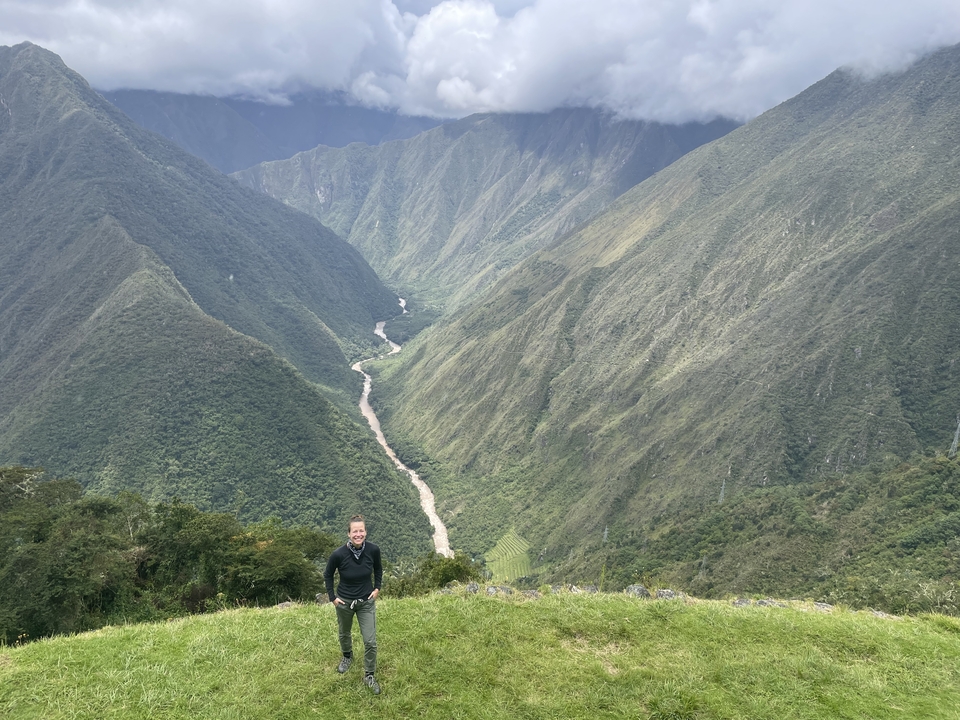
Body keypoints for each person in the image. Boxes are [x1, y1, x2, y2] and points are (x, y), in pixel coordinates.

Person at [323, 514, 383, 695]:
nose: (358, 534)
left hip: (366, 602)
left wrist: (377, 588)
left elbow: (378, 568)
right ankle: (347, 656)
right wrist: (332, 597)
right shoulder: (338, 554)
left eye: (361, 530)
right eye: (355, 531)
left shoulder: (373, 550)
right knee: (344, 633)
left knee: (370, 641)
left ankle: (369, 674)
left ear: (366, 532)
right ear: (349, 534)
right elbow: (327, 574)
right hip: (344, 601)